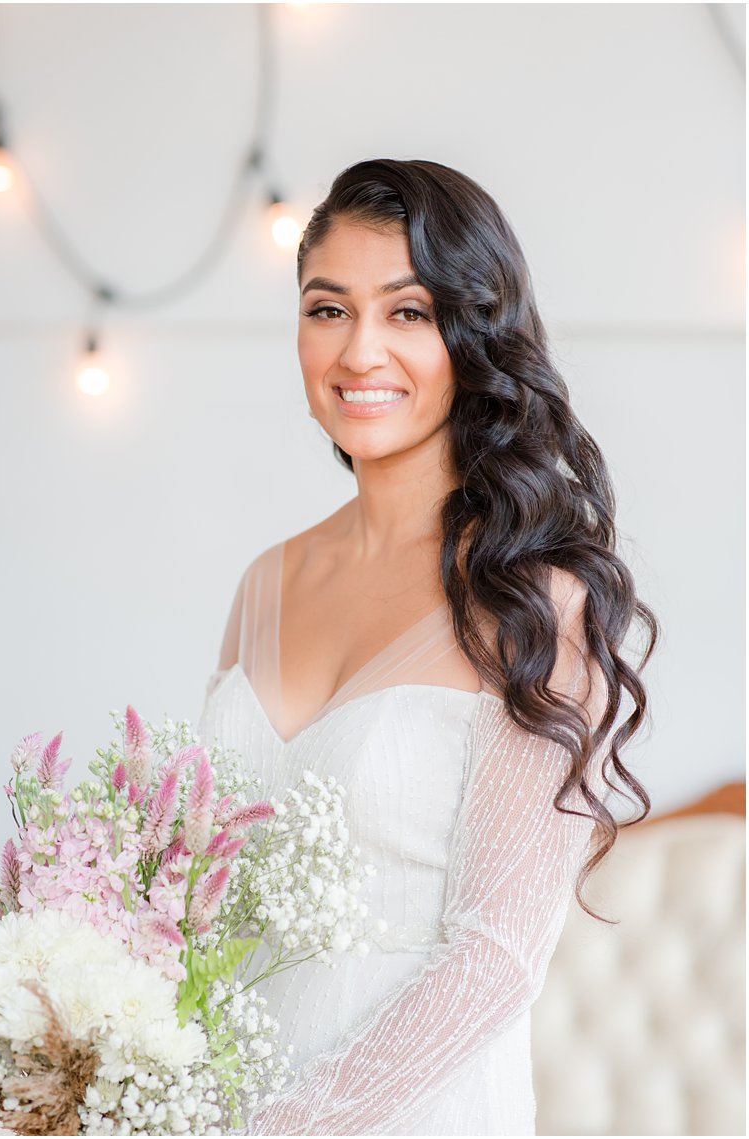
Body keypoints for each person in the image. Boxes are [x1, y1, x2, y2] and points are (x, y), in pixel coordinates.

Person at [198, 159, 657, 1136]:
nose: (358, 349)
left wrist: (282, 1126)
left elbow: (496, 956)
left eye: (406, 312)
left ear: (473, 332)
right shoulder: (265, 582)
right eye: (327, 308)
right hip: (215, 1102)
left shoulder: (536, 602)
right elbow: (197, 887)